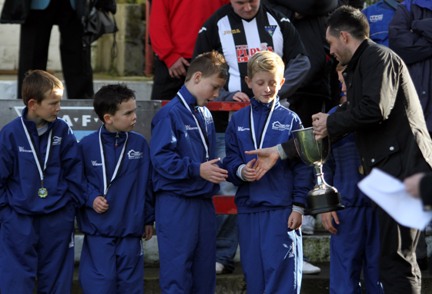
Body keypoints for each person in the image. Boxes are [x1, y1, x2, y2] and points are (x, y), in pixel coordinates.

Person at [247, 5, 432, 293]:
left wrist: (332, 121)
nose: (330, 50)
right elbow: (347, 120)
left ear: (344, 37)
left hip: (403, 172)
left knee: (397, 260)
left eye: (331, 43)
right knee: (390, 259)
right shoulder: (364, 64)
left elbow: (374, 110)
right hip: (390, 171)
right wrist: (281, 151)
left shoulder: (378, 57)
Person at [194, 0, 311, 273]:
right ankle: (222, 255)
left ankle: (294, 248)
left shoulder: (278, 20)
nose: (247, 7)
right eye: (239, 2)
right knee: (230, 183)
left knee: (287, 170)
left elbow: (302, 60)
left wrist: (278, 89)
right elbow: (201, 67)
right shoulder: (216, 23)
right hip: (231, 119)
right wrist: (223, 94)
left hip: (277, 119)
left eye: (252, 1)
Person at [223, 50, 312, 293]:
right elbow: (229, 160)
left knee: (282, 276)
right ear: (248, 82)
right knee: (255, 277)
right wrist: (240, 171)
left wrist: (298, 206)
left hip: (281, 210)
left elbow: (303, 166)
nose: (267, 88)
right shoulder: (238, 119)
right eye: (260, 83)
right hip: (249, 209)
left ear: (282, 82)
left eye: (273, 82)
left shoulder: (291, 119)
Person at [150, 51, 229, 293]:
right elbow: (161, 159)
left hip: (202, 201)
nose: (216, 94)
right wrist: (197, 170)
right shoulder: (170, 113)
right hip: (177, 202)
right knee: (177, 273)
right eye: (214, 87)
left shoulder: (204, 113)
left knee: (204, 274)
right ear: (196, 77)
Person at [0, 69, 84, 293]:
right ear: (33, 104)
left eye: (59, 102)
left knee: (57, 280)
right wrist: (8, 211)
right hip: (20, 219)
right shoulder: (10, 134)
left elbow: (74, 170)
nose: (59, 108)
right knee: (15, 280)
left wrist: (68, 206)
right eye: (53, 103)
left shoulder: (63, 131)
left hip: (56, 218)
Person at [76, 84, 155, 293]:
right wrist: (91, 198)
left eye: (135, 110)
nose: (134, 117)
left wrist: (148, 218)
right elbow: (76, 182)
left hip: (130, 231)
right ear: (108, 118)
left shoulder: (139, 144)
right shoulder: (86, 145)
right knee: (100, 285)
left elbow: (147, 183)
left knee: (130, 286)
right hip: (99, 232)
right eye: (128, 113)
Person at [320, 63, 381, 293]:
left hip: (379, 208)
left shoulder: (380, 110)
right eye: (341, 82)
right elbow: (323, 165)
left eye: (347, 80)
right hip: (345, 209)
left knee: (380, 277)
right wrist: (326, 205)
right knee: (344, 280)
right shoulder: (332, 118)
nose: (343, 87)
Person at [149, 0, 229, 101]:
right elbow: (157, 22)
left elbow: (233, 10)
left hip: (212, 59)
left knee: (211, 112)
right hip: (174, 66)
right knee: (164, 112)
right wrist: (170, 57)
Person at [13, 0, 94, 99]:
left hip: (74, 5)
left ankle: (81, 106)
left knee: (79, 57)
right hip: (36, 4)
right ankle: (29, 104)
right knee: (32, 56)